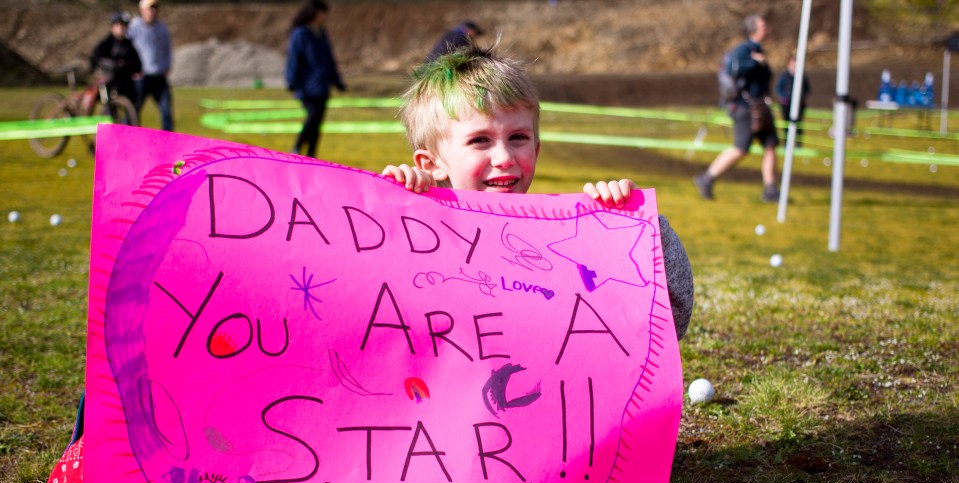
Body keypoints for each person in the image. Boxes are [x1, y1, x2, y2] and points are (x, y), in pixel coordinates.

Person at [381, 46, 694, 340]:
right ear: (431, 163)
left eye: (518, 137)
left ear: (536, 148)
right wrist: (389, 205)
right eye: (480, 140)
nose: (504, 157)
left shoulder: (565, 246)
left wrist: (639, 231)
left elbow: (670, 325)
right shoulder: (419, 237)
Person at [694, 14, 779, 203]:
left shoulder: (758, 49)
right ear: (753, 30)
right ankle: (706, 178)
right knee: (741, 149)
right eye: (763, 25)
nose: (767, 29)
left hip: (760, 107)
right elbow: (734, 69)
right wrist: (755, 62)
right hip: (744, 108)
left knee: (770, 146)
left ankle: (771, 190)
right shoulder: (743, 49)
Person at [285, 0, 346, 158]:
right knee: (311, 117)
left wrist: (337, 82)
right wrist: (292, 81)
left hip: (322, 88)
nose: (325, 16)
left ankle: (312, 155)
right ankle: (297, 148)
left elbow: (329, 61)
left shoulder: (322, 34)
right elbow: (294, 59)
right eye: (323, 12)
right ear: (315, 13)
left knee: (317, 123)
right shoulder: (301, 34)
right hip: (306, 88)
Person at [127, 0, 174, 131]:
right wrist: (132, 69)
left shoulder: (162, 28)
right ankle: (126, 139)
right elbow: (127, 48)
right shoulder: (134, 27)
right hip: (141, 77)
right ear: (142, 10)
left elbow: (167, 50)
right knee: (133, 111)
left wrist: (167, 66)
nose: (153, 11)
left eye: (155, 8)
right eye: (150, 8)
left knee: (166, 112)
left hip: (159, 76)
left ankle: (168, 143)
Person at [90, 12, 142, 108]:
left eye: (124, 25)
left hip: (124, 82)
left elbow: (137, 63)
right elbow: (95, 59)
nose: (121, 28)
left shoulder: (129, 45)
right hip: (108, 82)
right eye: (118, 25)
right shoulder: (106, 43)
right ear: (113, 27)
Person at [775, 52, 810, 146]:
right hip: (786, 104)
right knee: (786, 124)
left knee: (799, 124)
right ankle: (786, 143)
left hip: (799, 104)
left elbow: (807, 89)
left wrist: (802, 96)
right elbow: (778, 89)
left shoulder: (802, 76)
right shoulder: (784, 76)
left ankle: (799, 144)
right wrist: (784, 97)